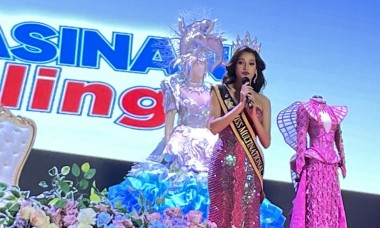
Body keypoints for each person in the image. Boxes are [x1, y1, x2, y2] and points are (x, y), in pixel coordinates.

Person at [109, 16, 225, 217]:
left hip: (207, 141)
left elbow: (212, 120)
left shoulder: (212, 89)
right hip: (182, 141)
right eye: (198, 62)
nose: (202, 67)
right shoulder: (175, 86)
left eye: (204, 63)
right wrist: (166, 143)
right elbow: (169, 121)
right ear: (188, 63)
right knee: (174, 182)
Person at [207, 32, 285, 228]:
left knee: (247, 218)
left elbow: (266, 142)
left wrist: (252, 117)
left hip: (250, 166)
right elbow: (214, 127)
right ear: (234, 66)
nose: (246, 67)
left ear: (256, 70)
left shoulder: (263, 101)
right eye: (241, 62)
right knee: (221, 214)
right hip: (223, 163)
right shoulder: (219, 92)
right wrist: (239, 107)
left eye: (251, 63)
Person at [277, 95, 348, 228]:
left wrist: (343, 161)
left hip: (331, 167)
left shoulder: (334, 112)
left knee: (330, 205)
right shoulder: (305, 108)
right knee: (314, 203)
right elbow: (301, 138)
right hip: (314, 163)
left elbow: (338, 138)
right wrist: (299, 165)